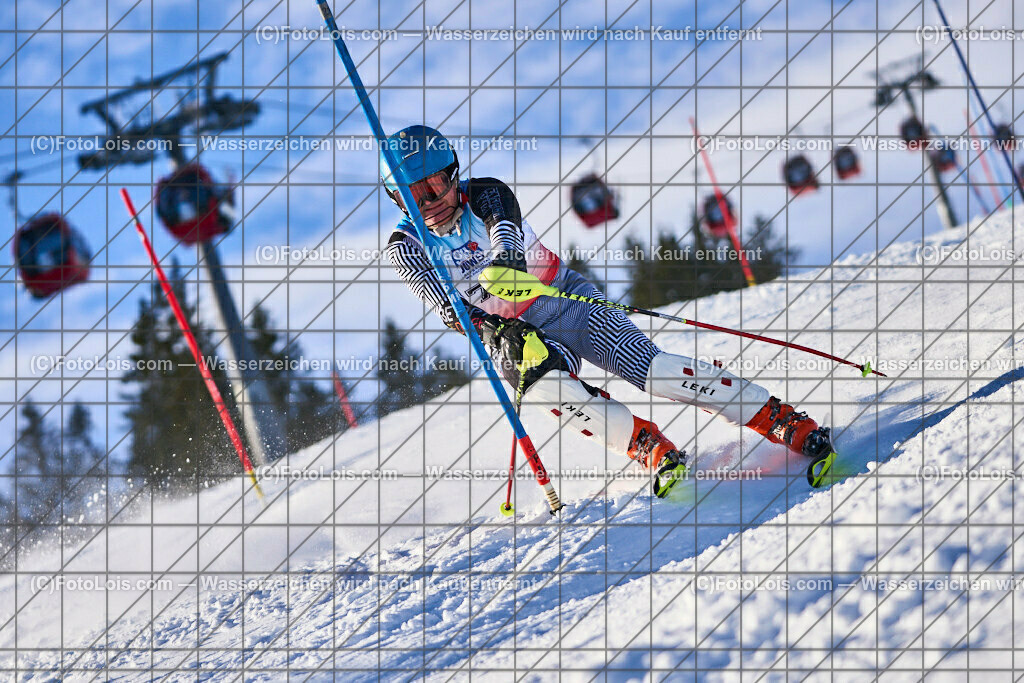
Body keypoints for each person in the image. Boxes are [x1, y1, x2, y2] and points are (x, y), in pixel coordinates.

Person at [381, 125, 833, 496]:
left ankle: (777, 417)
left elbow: (508, 242)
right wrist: (485, 325)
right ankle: (648, 446)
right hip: (512, 335)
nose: (432, 199)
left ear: (454, 175)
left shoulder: (486, 194)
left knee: (652, 370)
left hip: (564, 299)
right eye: (415, 193)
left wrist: (502, 267)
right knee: (546, 388)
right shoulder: (407, 244)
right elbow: (441, 301)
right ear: (398, 199)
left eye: (438, 183)